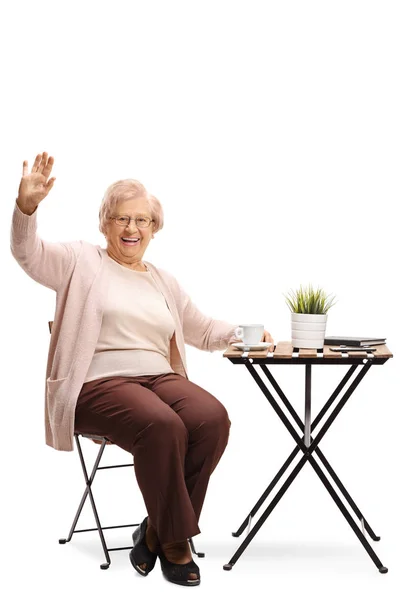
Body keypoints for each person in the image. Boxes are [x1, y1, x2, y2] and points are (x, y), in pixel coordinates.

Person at [10, 151, 274, 587]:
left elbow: (201, 328)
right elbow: (28, 253)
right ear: (104, 223)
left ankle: (154, 529)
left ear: (154, 228)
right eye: (121, 219)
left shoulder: (161, 280)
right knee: (162, 425)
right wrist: (26, 208)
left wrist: (246, 335)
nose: (131, 229)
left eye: (142, 220)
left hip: (158, 379)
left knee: (211, 420)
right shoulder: (79, 261)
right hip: (96, 384)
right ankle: (174, 543)